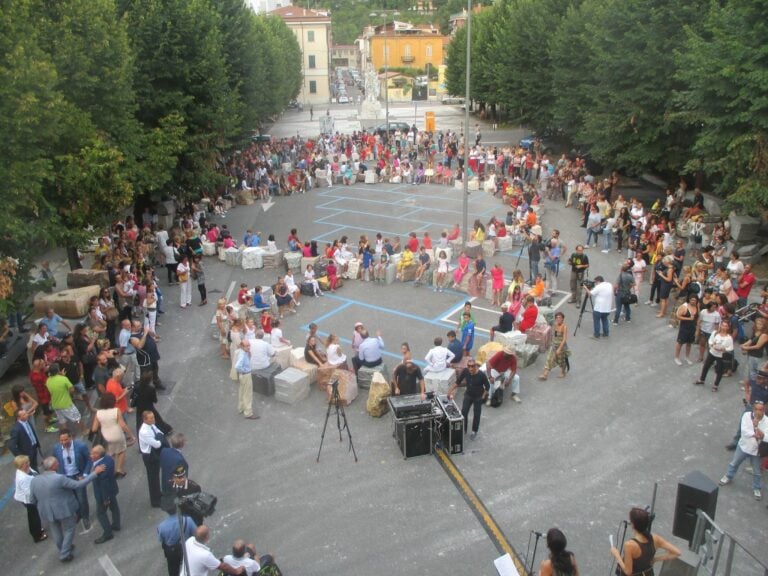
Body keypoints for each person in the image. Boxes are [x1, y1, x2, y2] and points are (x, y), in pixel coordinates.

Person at [29, 456, 106, 562]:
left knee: (56, 530)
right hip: (63, 509)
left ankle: (63, 548)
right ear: (53, 466)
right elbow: (78, 485)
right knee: (69, 529)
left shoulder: (34, 481)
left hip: (47, 511)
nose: (59, 464)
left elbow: (32, 499)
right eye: (57, 463)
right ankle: (64, 554)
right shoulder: (59, 478)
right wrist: (95, 473)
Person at [719, 400, 768, 500]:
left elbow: (766, 437)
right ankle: (728, 476)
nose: (759, 412)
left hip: (756, 451)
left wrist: (757, 427)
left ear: (764, 410)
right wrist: (757, 433)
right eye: (757, 409)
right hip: (744, 447)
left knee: (757, 471)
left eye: (761, 409)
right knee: (734, 463)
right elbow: (744, 431)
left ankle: (757, 487)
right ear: (753, 409)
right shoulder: (746, 416)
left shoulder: (767, 421)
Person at [611, 507, 680, 576]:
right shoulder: (655, 538)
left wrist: (617, 555)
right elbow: (677, 552)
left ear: (633, 525)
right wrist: (655, 559)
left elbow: (628, 572)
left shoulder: (630, 545)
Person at [51, 429, 93, 533]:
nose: (64, 442)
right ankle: (78, 514)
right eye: (61, 440)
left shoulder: (81, 446)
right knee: (71, 498)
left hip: (78, 476)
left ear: (71, 437)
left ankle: (85, 517)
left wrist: (84, 474)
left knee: (82, 499)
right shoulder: (56, 448)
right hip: (65, 477)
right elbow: (55, 461)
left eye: (66, 439)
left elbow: (89, 460)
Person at [90, 392, 135, 478]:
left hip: (106, 436)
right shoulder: (116, 411)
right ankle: (119, 469)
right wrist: (131, 435)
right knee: (121, 450)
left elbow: (94, 429)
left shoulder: (98, 413)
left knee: (111, 452)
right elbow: (123, 425)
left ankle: (110, 469)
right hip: (117, 434)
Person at [447, 357, 490, 440]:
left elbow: (487, 386)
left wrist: (483, 396)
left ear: (476, 366)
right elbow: (458, 382)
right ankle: (464, 429)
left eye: (472, 366)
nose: (470, 368)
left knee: (476, 415)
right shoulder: (465, 371)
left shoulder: (481, 375)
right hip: (468, 395)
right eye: (469, 366)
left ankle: (474, 431)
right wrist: (450, 390)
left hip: (478, 397)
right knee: (464, 412)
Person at [90, 445, 120, 544]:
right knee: (114, 506)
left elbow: (103, 484)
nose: (91, 455)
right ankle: (116, 524)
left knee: (101, 513)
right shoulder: (108, 459)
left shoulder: (102, 468)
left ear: (99, 455)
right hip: (112, 489)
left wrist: (105, 498)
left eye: (94, 453)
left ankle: (108, 533)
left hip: (103, 494)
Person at [157, 503, 197, 576]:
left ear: (166, 511)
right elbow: (196, 534)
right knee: (191, 569)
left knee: (173, 571)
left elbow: (161, 539)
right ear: (177, 508)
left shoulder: (161, 526)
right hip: (187, 549)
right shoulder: (188, 520)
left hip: (172, 552)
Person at [14, 455, 47, 543]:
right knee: (34, 516)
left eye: (28, 461)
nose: (29, 463)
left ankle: (37, 530)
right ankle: (38, 535)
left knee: (33, 515)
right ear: (21, 465)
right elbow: (28, 492)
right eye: (26, 463)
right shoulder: (22, 478)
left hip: (29, 497)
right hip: (28, 499)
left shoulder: (26, 470)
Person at [46, 362, 86, 435]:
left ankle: (66, 435)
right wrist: (63, 377)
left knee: (62, 421)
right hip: (66, 404)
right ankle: (84, 431)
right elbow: (72, 390)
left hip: (56, 404)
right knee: (77, 418)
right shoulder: (63, 379)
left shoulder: (48, 380)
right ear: (58, 370)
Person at [139, 410, 168, 508]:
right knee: (152, 478)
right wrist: (160, 438)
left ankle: (158, 494)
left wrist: (159, 437)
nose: (153, 419)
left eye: (153, 417)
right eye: (151, 418)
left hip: (153, 453)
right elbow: (157, 444)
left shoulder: (151, 426)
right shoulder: (144, 431)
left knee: (155, 476)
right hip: (149, 456)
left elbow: (159, 432)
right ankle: (155, 500)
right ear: (144, 419)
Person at [694, 321, 734, 391]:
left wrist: (724, 349)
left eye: (725, 326)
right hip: (712, 352)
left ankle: (716, 385)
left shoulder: (729, 338)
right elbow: (710, 341)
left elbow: (731, 348)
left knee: (719, 371)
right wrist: (712, 345)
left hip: (721, 355)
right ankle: (702, 379)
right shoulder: (715, 333)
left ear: (728, 327)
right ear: (720, 326)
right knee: (706, 366)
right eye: (723, 325)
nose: (724, 327)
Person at [539, 312, 570, 380]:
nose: (558, 319)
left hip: (561, 347)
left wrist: (559, 349)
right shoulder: (555, 325)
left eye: (560, 318)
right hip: (554, 346)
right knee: (549, 359)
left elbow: (564, 339)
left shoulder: (564, 327)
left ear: (562, 319)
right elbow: (553, 336)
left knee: (561, 361)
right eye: (557, 318)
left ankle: (563, 372)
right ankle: (545, 374)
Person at [234, 340, 259, 420]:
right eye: (247, 346)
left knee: (242, 392)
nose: (249, 347)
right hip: (246, 375)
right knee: (248, 394)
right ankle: (248, 413)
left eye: (249, 345)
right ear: (242, 346)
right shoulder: (243, 355)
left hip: (242, 376)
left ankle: (241, 408)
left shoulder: (242, 352)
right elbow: (237, 366)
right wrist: (245, 370)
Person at [160, 432, 189, 497]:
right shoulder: (179, 460)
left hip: (165, 481)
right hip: (173, 486)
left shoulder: (164, 451)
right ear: (182, 445)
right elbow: (181, 477)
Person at [674, 295, 699, 365]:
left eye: (695, 300)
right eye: (692, 300)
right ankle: (676, 357)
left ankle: (687, 357)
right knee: (680, 343)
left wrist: (697, 329)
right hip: (684, 328)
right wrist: (688, 319)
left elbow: (697, 317)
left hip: (692, 328)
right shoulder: (684, 307)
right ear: (689, 300)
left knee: (689, 343)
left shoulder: (697, 306)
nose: (693, 301)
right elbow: (678, 316)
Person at [614, 259, 635, 324]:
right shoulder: (630, 275)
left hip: (620, 292)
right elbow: (634, 284)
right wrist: (629, 288)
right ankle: (628, 319)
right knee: (627, 306)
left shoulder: (621, 275)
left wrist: (614, 291)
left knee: (618, 308)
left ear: (622, 269)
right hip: (627, 293)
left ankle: (615, 321)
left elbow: (616, 285)